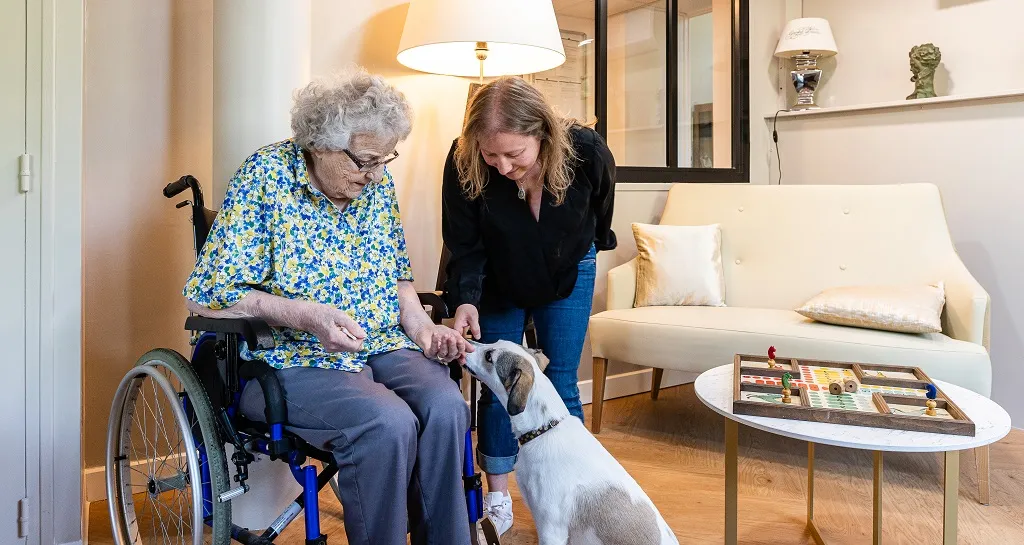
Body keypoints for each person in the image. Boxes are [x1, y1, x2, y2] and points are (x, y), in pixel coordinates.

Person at [183, 68, 473, 545]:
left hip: (379, 343)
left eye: (385, 159)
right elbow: (207, 294)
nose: (377, 174)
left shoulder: (374, 184)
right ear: (320, 144)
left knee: (445, 406)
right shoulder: (267, 177)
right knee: (387, 423)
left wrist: (424, 332)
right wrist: (308, 316)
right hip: (290, 360)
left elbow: (399, 279)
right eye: (365, 161)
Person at [441, 76, 617, 536]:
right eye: (490, 153)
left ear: (541, 133)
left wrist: (587, 251)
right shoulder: (463, 162)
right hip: (498, 278)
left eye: (513, 154)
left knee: (560, 377)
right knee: (503, 385)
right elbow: (465, 245)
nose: (500, 166)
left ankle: (580, 489)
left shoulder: (586, 151)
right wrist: (466, 300)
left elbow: (601, 211)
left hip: (568, 268)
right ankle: (498, 499)